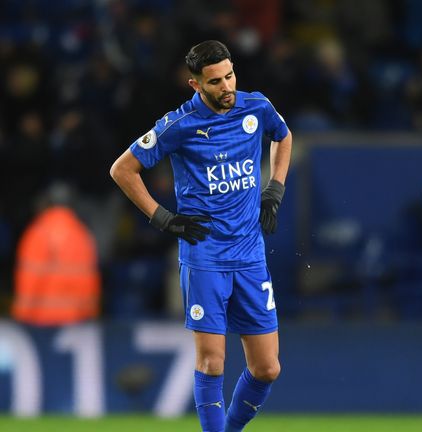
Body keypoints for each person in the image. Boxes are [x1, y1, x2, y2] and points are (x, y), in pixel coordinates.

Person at [109, 40, 292, 432]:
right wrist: (161, 217)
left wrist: (275, 187)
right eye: (215, 81)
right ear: (195, 85)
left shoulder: (255, 106)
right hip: (205, 254)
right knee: (212, 362)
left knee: (267, 367)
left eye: (229, 75)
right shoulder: (179, 125)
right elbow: (122, 170)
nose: (226, 86)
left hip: (250, 254)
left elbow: (283, 135)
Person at [12, 182, 100, 326]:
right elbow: (90, 282)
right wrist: (89, 315)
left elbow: (30, 278)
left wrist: (21, 315)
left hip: (40, 321)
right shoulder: (82, 235)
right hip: (74, 321)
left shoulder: (37, 233)